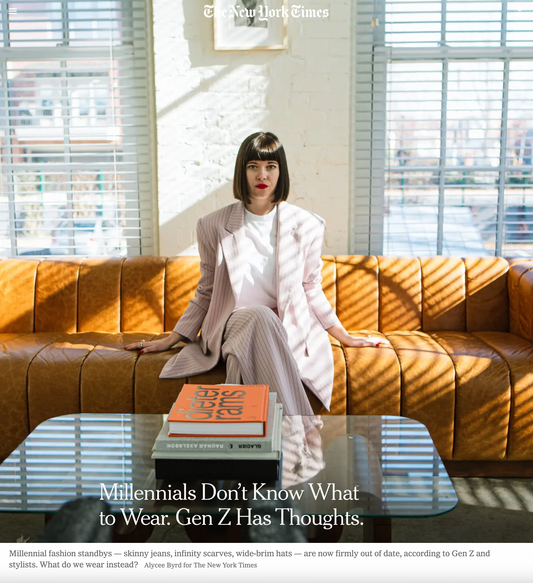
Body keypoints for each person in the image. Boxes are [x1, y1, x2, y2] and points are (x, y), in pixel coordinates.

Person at [125, 132, 389, 414]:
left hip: (288, 328)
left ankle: (255, 446)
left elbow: (310, 286)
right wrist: (172, 338)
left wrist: (343, 335)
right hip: (233, 324)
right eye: (253, 166)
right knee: (260, 316)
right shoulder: (212, 225)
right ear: (243, 171)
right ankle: (300, 436)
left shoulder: (308, 225)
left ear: (280, 171)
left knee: (243, 358)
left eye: (270, 166)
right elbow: (207, 290)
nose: (262, 174)